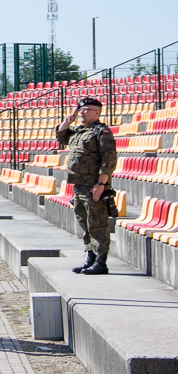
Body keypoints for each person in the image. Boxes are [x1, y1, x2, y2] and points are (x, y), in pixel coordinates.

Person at [56, 96, 117, 276]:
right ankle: (90, 258)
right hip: (80, 185)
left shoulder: (101, 132)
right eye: (80, 109)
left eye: (86, 110)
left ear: (96, 113)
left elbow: (109, 160)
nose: (81, 112)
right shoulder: (79, 131)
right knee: (85, 223)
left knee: (97, 224)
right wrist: (67, 122)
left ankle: (101, 262)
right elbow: (62, 138)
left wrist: (101, 183)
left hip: (94, 185)